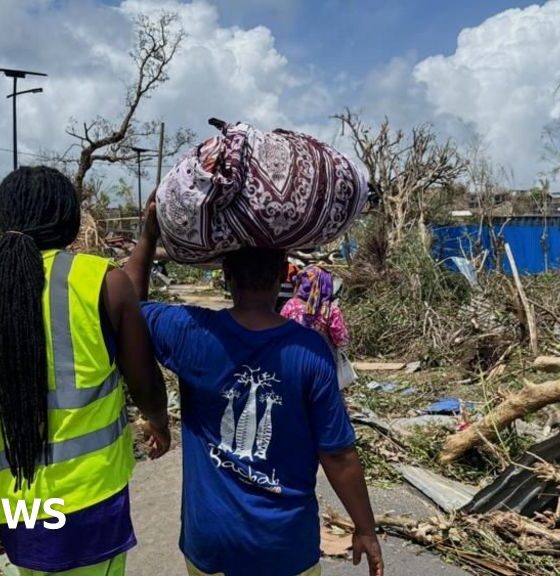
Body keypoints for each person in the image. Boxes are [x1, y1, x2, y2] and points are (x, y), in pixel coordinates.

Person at [125, 200, 383, 576]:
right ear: (284, 274)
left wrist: (148, 236)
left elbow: (128, 307)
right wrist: (365, 529)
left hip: (210, 541)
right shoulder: (308, 351)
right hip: (284, 546)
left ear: (226, 274)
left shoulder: (191, 332)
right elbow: (339, 457)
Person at [0, 167, 170, 576]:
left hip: (18, 499)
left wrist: (145, 241)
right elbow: (144, 381)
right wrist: (159, 423)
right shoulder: (100, 281)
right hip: (90, 496)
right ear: (70, 221)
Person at [280, 266, 349, 354]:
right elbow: (341, 339)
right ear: (325, 284)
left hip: (293, 356)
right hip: (322, 359)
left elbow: (280, 330)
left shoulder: (291, 305)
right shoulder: (330, 309)